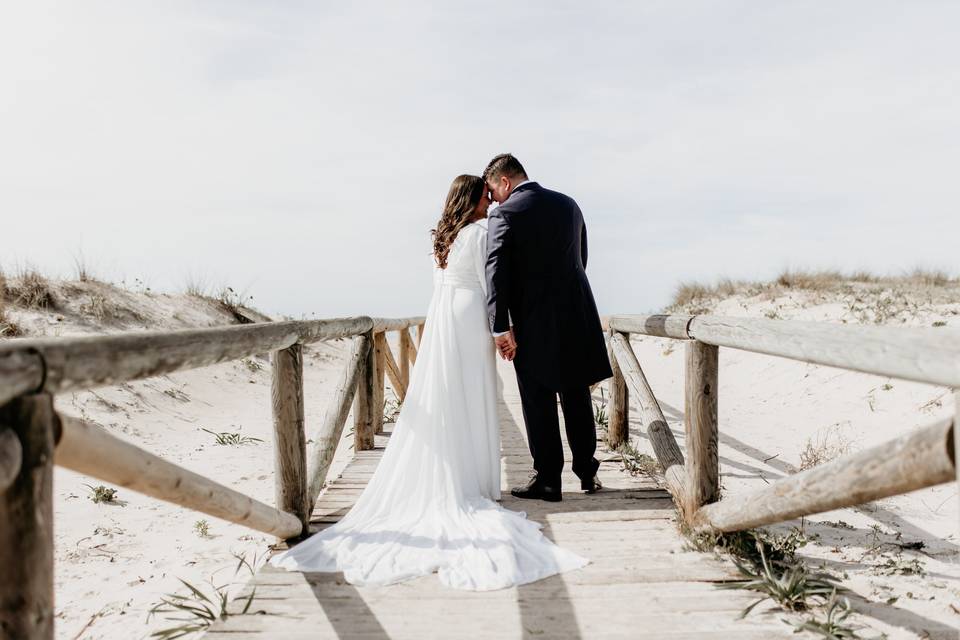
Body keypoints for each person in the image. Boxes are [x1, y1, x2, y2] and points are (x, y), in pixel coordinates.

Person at [269, 174, 587, 590]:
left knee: (450, 394)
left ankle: (461, 473)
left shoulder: (444, 236)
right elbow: (495, 279)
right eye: (486, 196)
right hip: (472, 315)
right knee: (474, 393)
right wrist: (503, 326)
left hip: (443, 317)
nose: (492, 203)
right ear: (473, 200)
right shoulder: (480, 231)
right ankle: (476, 482)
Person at [484, 153, 613, 503]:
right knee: (576, 395)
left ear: (505, 182)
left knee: (537, 399)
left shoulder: (505, 214)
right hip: (576, 313)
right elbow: (581, 258)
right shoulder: (569, 205)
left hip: (532, 319)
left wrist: (500, 325)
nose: (492, 199)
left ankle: (549, 480)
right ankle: (587, 472)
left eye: (493, 191)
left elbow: (495, 273)